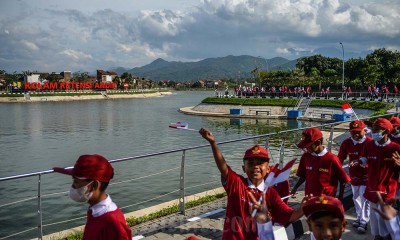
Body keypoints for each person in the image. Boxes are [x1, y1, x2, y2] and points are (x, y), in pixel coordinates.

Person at [199, 128, 308, 240]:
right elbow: (223, 168)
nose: (255, 167)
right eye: (250, 163)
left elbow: (288, 215)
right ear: (243, 168)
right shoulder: (237, 184)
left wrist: (302, 209)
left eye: (260, 163)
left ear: (268, 169)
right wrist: (213, 143)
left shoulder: (272, 194)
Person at [53, 154, 132, 240]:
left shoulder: (112, 221)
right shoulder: (95, 211)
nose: (73, 186)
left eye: (76, 182)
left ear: (94, 185)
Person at [360, 118, 400, 239]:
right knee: (374, 216)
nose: (373, 132)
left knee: (386, 217)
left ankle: (387, 235)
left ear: (386, 132)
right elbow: (364, 158)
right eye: (373, 129)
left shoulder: (395, 148)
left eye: (377, 130)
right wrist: (359, 162)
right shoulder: (369, 145)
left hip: (388, 189)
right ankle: (376, 236)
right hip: (372, 187)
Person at [291, 128, 350, 199]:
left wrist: (340, 199)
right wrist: (295, 188)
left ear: (318, 143)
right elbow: (303, 176)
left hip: (327, 200)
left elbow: (343, 180)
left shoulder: (332, 159)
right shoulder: (306, 156)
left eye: (308, 146)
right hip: (309, 198)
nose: (306, 148)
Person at [337, 120, 372, 233]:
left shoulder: (370, 143)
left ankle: (364, 221)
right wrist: (338, 173)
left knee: (365, 198)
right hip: (354, 175)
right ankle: (358, 217)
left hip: (367, 175)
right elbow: (340, 159)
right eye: (353, 132)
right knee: (355, 197)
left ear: (364, 131)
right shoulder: (346, 143)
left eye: (358, 132)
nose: (356, 135)